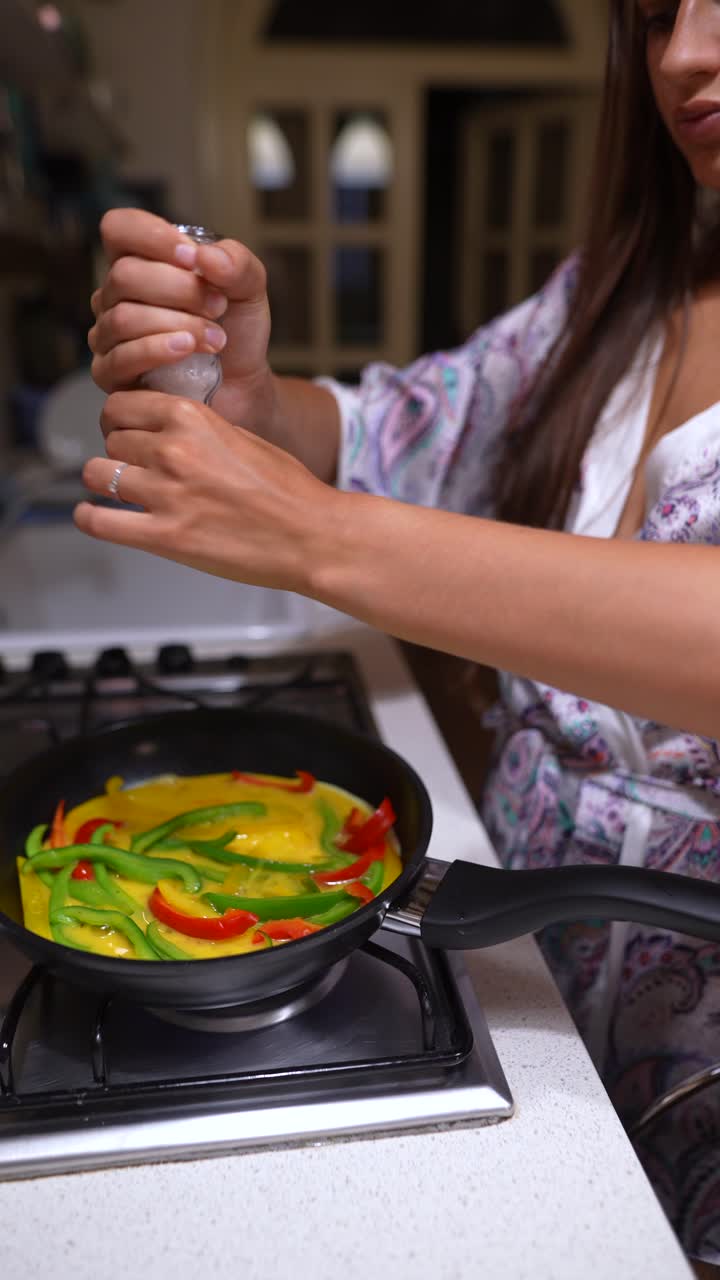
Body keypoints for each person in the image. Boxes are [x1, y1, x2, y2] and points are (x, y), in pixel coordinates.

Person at [81, 0, 720, 1263]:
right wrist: (254, 395)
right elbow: (412, 424)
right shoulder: (623, 290)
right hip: (535, 983)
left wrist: (310, 532)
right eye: (656, 13)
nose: (686, 52)